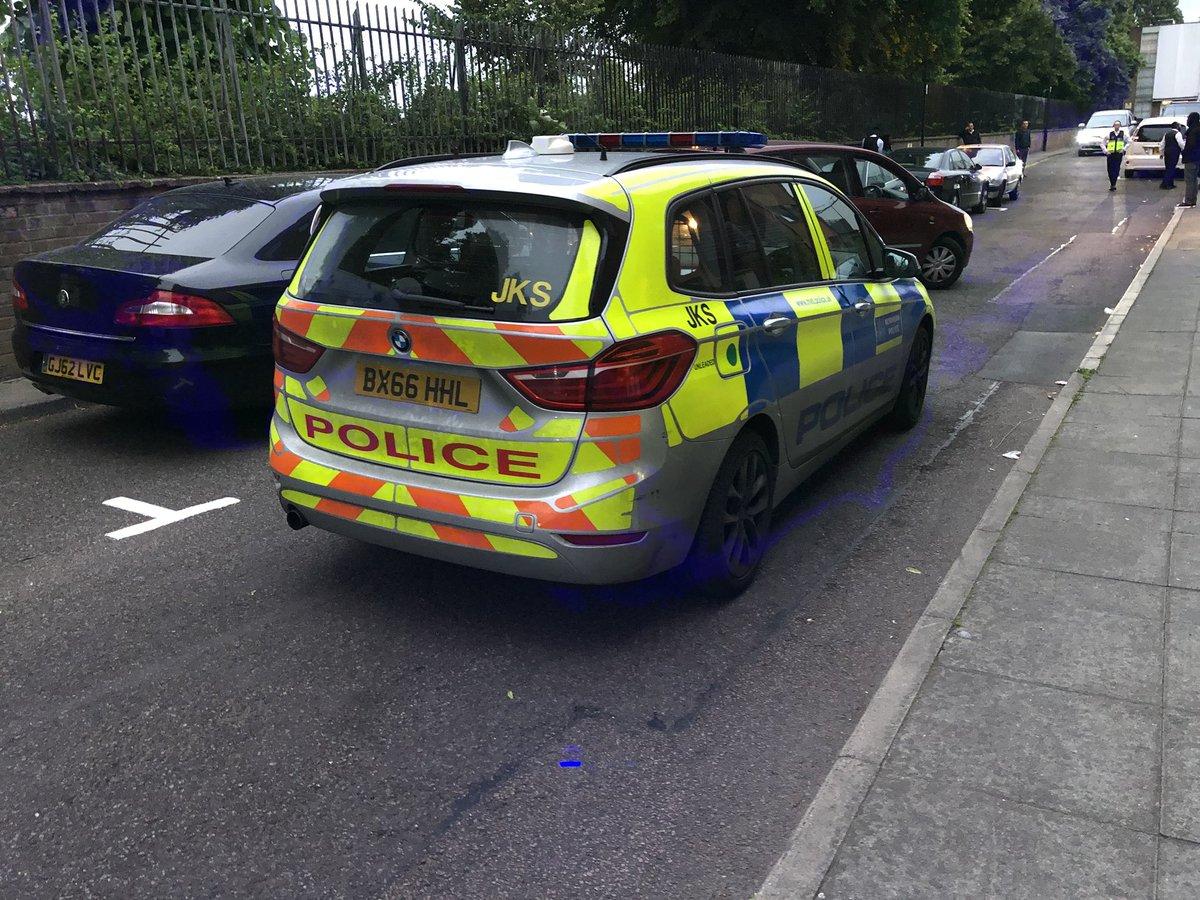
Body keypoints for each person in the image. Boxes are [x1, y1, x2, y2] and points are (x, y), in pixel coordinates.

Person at [1183, 112, 1200, 208]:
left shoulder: (1192, 131)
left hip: (1191, 158)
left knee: (1189, 180)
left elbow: (1190, 145)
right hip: (1197, 158)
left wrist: (1184, 153)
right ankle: (1193, 199)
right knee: (1194, 180)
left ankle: (1189, 200)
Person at [1104, 120, 1127, 191]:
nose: (1117, 126)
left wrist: (1124, 149)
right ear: (1113, 126)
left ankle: (1113, 184)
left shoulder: (1123, 134)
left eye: (1118, 125)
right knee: (1110, 169)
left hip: (1118, 154)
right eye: (1115, 125)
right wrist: (1106, 151)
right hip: (1110, 154)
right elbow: (1102, 143)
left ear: (1120, 126)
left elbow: (1129, 141)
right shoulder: (1110, 134)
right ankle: (1112, 183)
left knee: (1116, 169)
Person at [1161, 122, 1184, 190]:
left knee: (1168, 168)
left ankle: (1167, 183)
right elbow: (1181, 143)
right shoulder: (1178, 134)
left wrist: (1161, 153)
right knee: (1172, 168)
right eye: (1179, 126)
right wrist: (1184, 150)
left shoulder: (1166, 134)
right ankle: (1167, 184)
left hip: (1167, 152)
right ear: (1177, 127)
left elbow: (1162, 144)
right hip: (1174, 153)